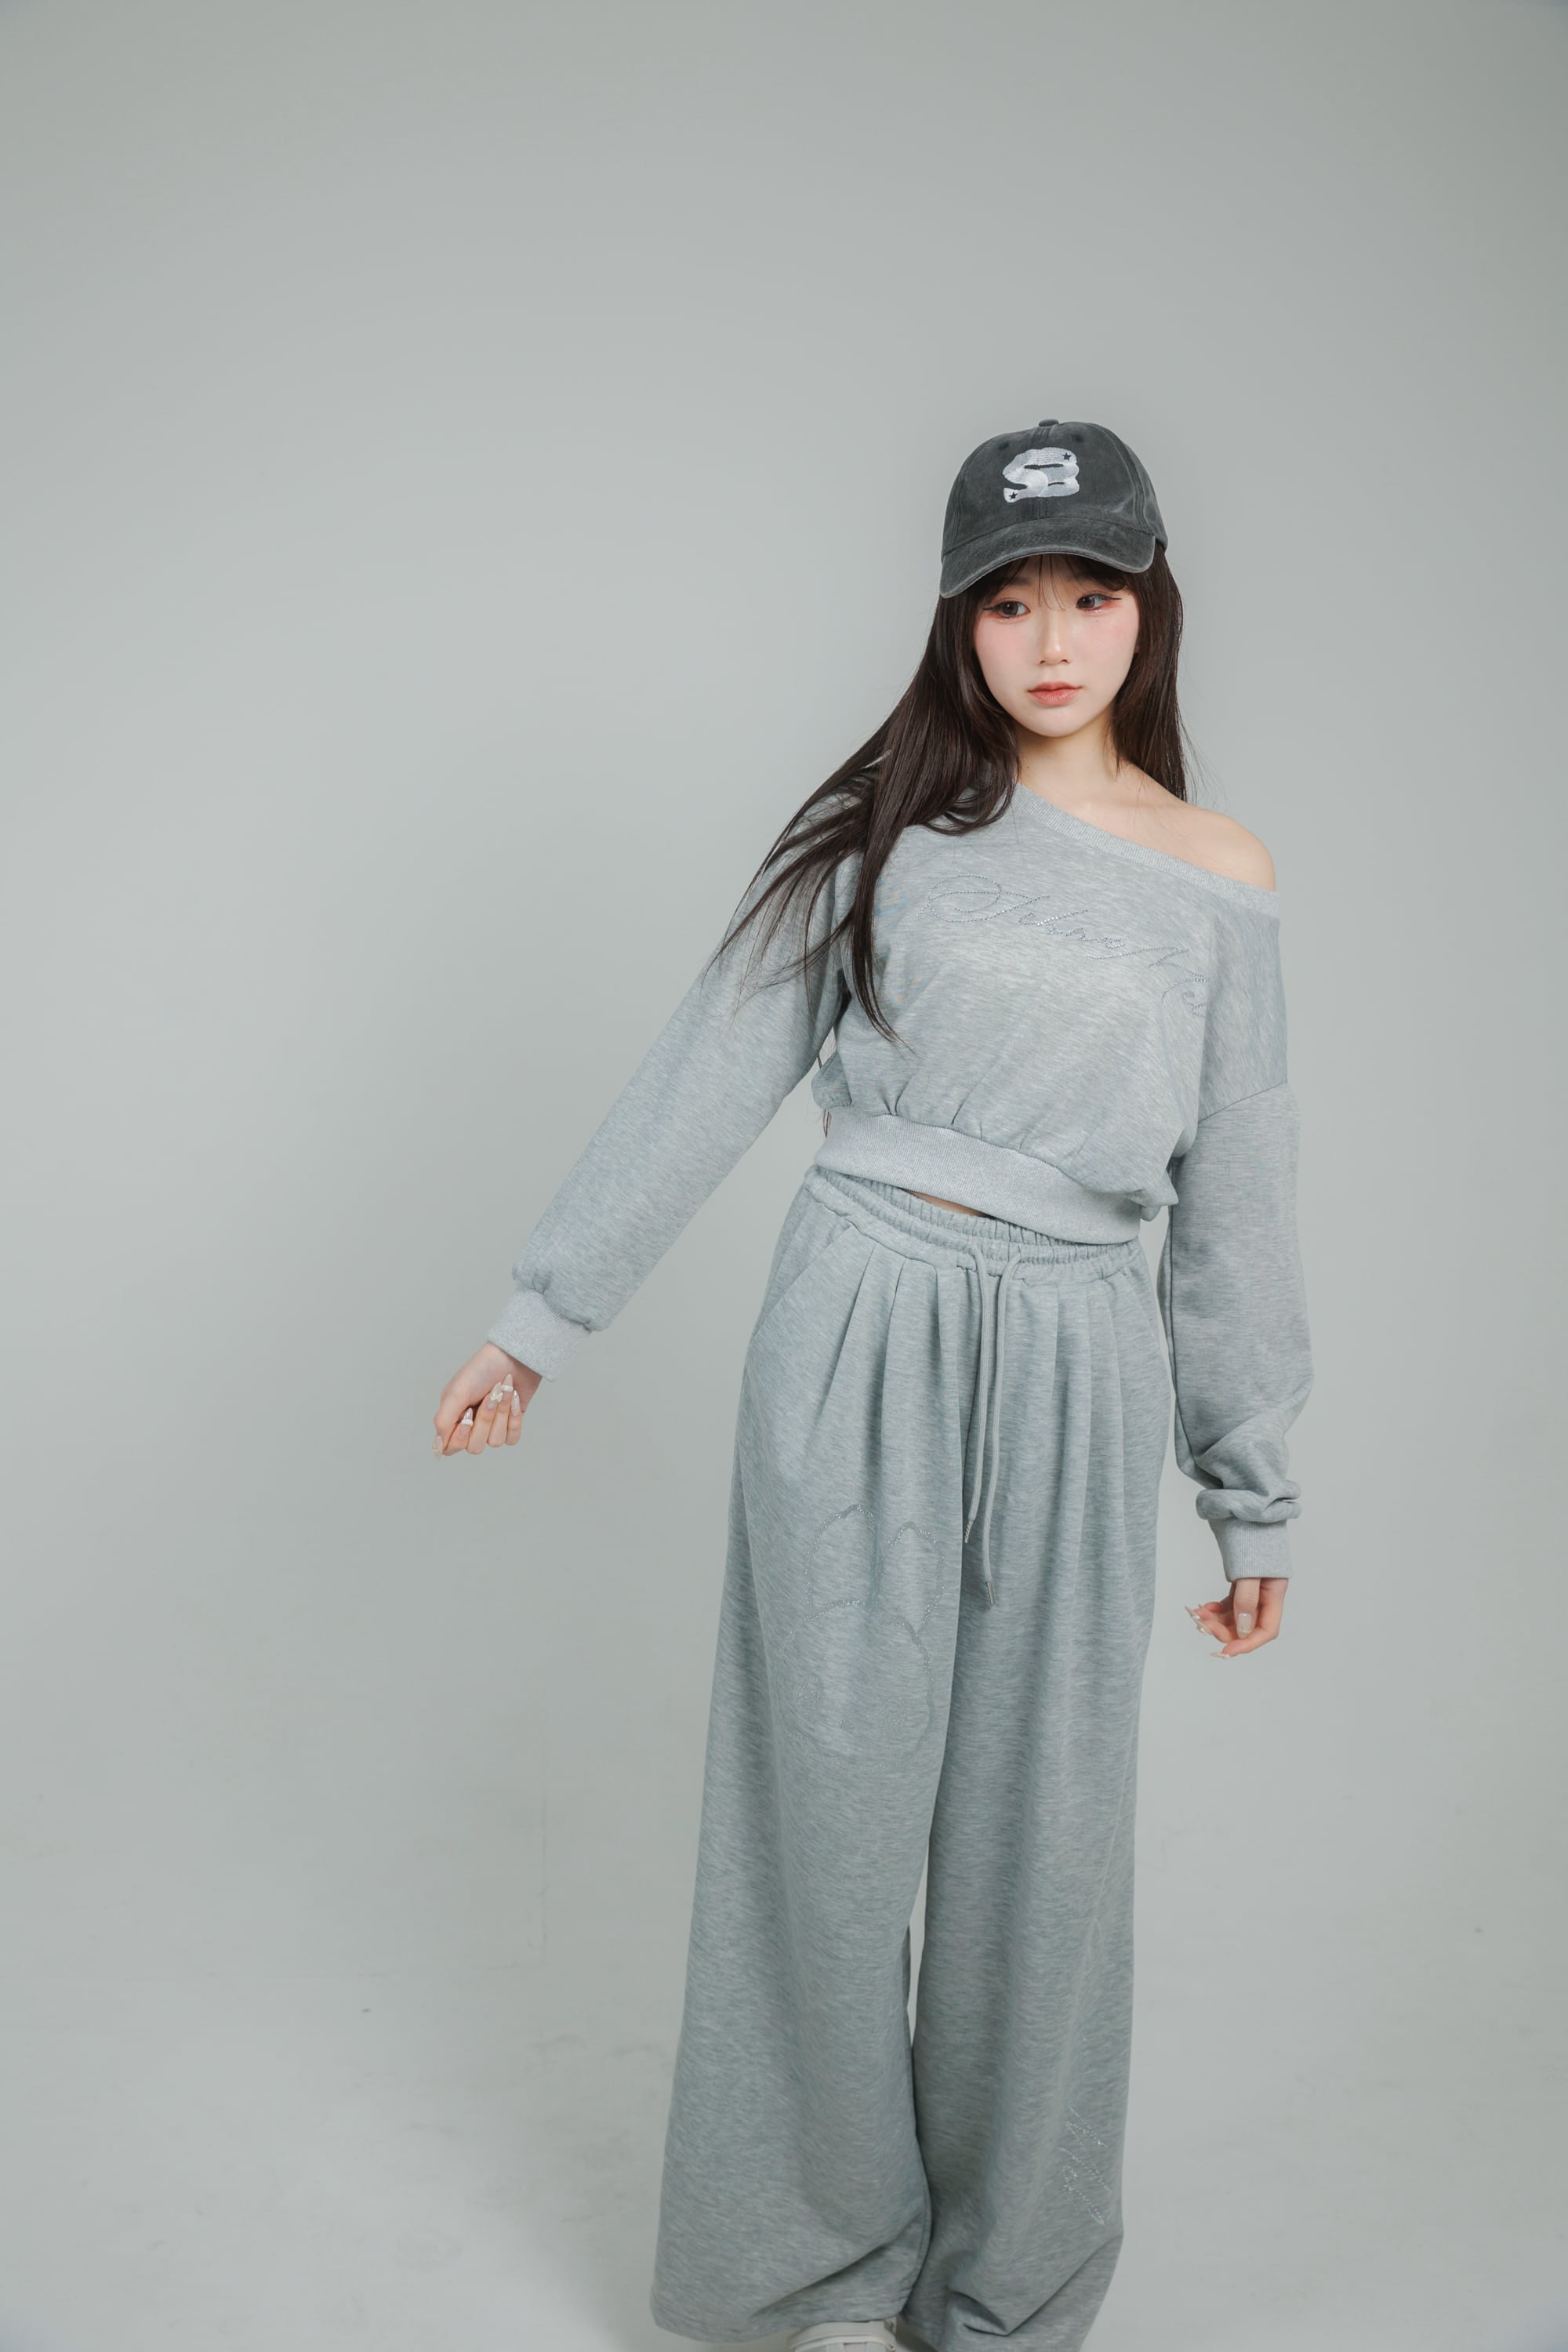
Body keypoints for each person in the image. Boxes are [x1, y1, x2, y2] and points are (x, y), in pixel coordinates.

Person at [432, 417, 1314, 2352]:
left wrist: (1248, 1487)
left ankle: (1004, 2290)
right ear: (955, 619)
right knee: (819, 1816)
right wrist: (541, 1317)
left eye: (1088, 596)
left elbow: (1236, 1195)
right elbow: (715, 1061)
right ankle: (809, 2272)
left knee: (1042, 1843)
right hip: (860, 1317)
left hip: (1081, 1351)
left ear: (1149, 609)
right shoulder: (896, 832)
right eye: (1008, 601)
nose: (1051, 639)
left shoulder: (1218, 876)